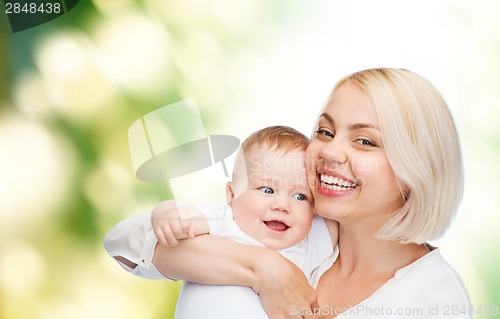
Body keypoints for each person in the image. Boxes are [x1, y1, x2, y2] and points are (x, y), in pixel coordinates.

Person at [105, 68, 471, 319]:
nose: (329, 152)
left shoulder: (435, 298)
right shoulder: (296, 227)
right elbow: (130, 244)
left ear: (416, 167)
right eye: (325, 132)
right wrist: (264, 268)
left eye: (364, 141)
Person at [103, 125, 336, 318]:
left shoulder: (306, 243)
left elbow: (355, 220)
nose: (282, 205)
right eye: (267, 189)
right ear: (232, 195)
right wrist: (166, 213)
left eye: (300, 196)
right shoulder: (223, 220)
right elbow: (120, 239)